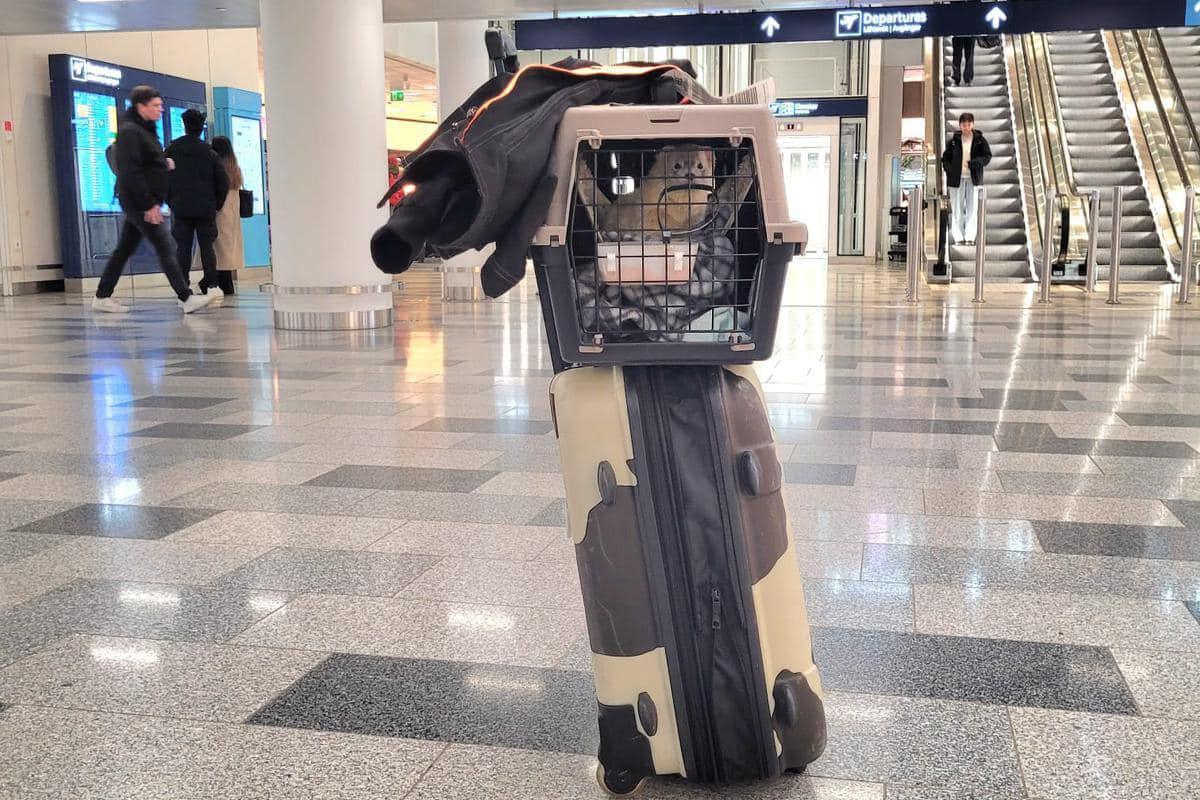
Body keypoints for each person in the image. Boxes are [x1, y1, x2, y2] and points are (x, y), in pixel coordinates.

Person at [92, 85, 213, 314]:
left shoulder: (143, 130)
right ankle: (186, 297)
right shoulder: (130, 132)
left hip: (142, 199)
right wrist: (149, 204)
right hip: (139, 201)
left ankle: (102, 295)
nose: (161, 110)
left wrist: (163, 164)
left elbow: (145, 161)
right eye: (156, 106)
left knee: (124, 248)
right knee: (165, 245)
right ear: (141, 106)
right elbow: (131, 171)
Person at [165, 109, 229, 299]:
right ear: (201, 128)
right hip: (205, 208)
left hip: (181, 207)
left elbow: (162, 176)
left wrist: (171, 200)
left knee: (182, 248)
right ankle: (212, 284)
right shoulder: (209, 153)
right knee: (207, 247)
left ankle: (183, 286)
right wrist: (216, 204)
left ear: (184, 126)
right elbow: (222, 182)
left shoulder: (172, 149)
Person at [940, 112, 992, 246]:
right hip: (956, 180)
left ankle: (970, 237)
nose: (966, 127)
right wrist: (950, 170)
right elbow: (945, 158)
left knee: (972, 208)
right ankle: (958, 237)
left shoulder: (980, 140)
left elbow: (987, 157)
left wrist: (974, 163)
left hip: (973, 179)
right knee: (956, 209)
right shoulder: (953, 141)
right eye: (964, 124)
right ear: (960, 125)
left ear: (973, 124)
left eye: (969, 124)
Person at [210, 136, 244, 295]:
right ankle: (227, 284)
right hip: (232, 213)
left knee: (218, 249)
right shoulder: (235, 168)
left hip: (220, 211)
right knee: (228, 250)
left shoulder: (216, 167)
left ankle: (216, 284)